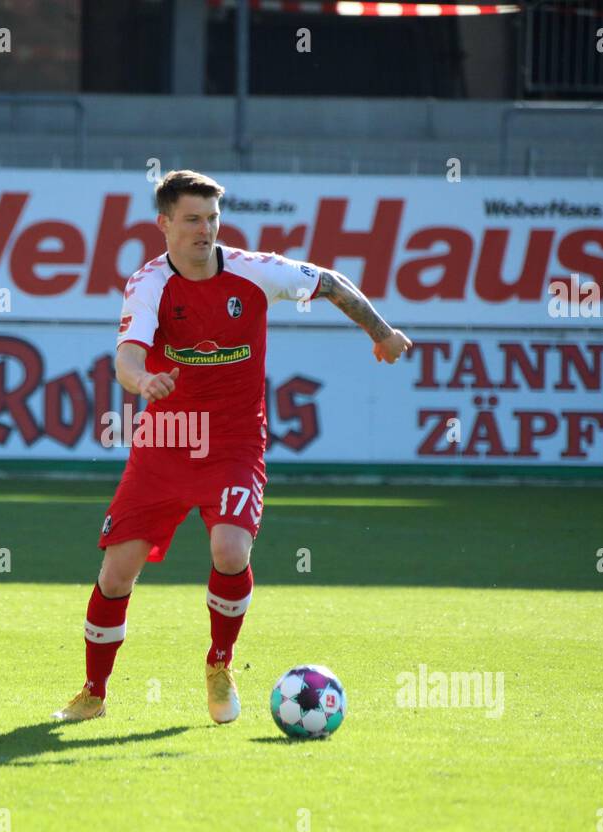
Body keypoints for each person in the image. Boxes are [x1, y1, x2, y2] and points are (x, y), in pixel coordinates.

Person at [52, 170, 412, 723]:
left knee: (230, 551)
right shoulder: (148, 283)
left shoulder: (255, 271)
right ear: (164, 224)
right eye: (193, 219)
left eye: (213, 219)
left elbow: (332, 284)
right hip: (168, 440)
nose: (206, 230)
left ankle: (219, 665)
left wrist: (382, 333)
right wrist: (142, 381)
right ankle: (94, 693)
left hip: (235, 442)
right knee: (117, 572)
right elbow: (127, 355)